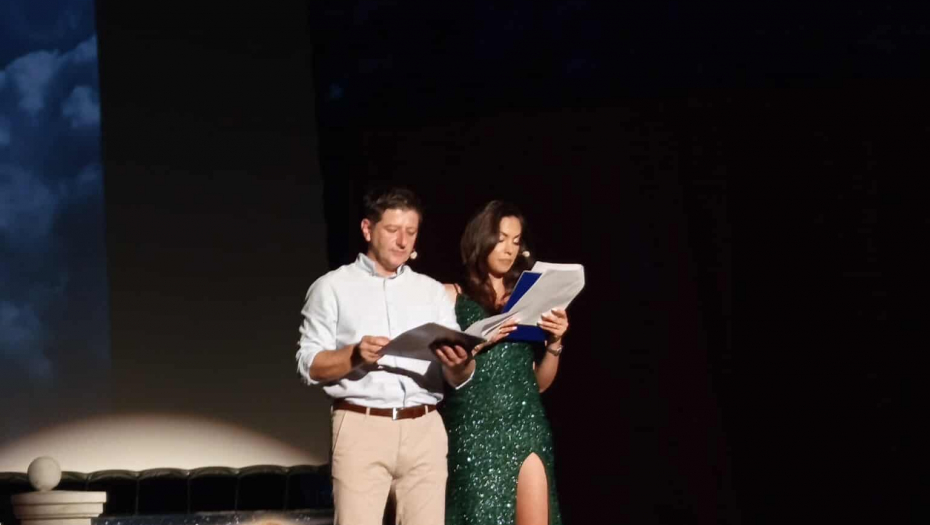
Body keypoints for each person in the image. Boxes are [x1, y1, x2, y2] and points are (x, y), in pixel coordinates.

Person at [296, 186, 479, 525]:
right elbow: (309, 365)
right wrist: (354, 355)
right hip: (362, 424)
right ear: (368, 229)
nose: (403, 241)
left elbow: (459, 375)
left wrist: (460, 364)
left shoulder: (430, 291)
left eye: (411, 232)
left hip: (424, 425)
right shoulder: (332, 287)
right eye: (393, 230)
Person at [441, 200, 569, 525]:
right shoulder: (450, 296)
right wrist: (477, 342)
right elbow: (445, 370)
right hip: (474, 428)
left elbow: (537, 384)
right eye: (500, 239)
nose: (509, 249)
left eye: (516, 240)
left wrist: (555, 342)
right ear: (481, 238)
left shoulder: (526, 298)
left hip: (527, 424)